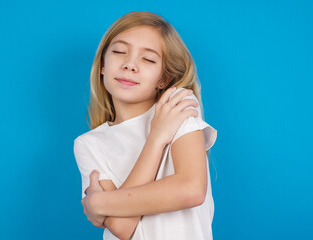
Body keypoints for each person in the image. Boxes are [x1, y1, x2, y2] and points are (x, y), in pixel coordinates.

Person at [73, 11, 217, 240]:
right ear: (102, 65)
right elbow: (121, 228)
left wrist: (100, 202)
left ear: (164, 78)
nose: (130, 64)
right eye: (119, 52)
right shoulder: (89, 143)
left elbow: (191, 189)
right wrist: (156, 138)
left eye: (148, 59)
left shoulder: (176, 107)